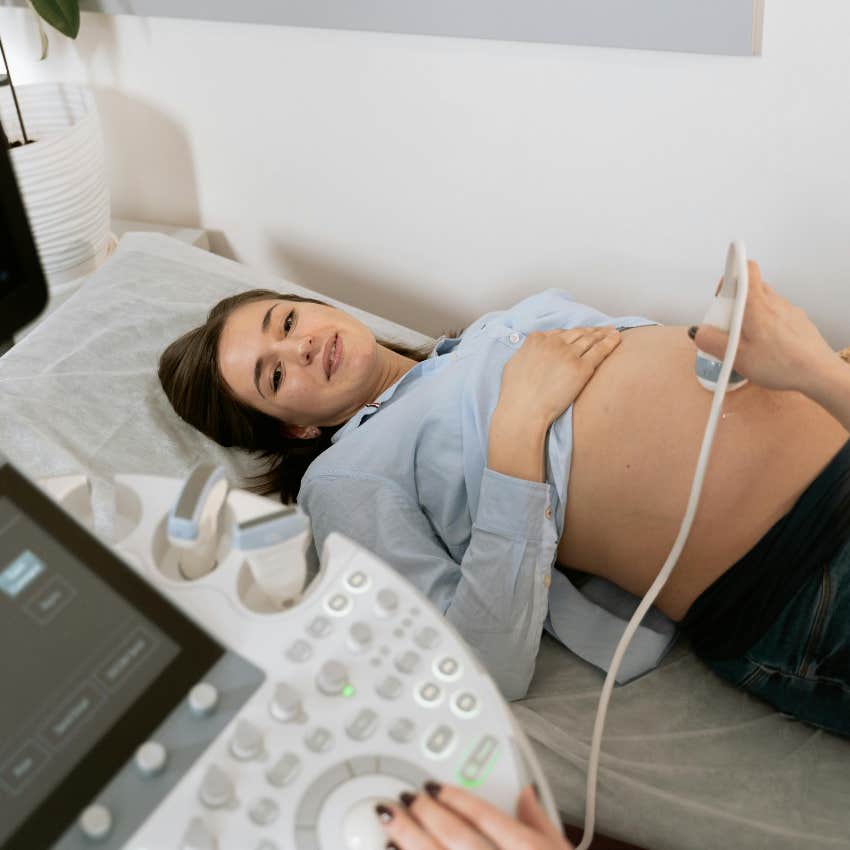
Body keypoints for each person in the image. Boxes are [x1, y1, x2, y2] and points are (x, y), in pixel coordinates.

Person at [158, 262, 850, 736]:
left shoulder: (498, 324)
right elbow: (482, 666)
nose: (301, 347)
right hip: (802, 579)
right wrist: (516, 431)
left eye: (285, 322)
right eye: (274, 376)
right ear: (296, 428)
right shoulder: (346, 479)